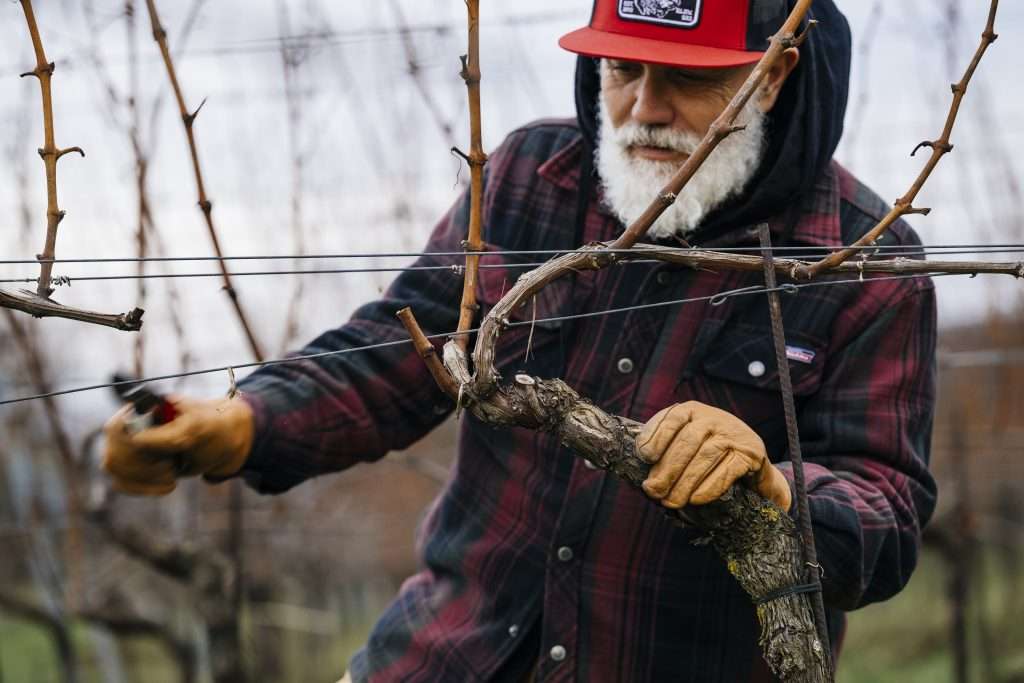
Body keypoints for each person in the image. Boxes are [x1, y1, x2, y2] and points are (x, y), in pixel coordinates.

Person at [103, 0, 938, 680]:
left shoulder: (861, 258)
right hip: (443, 656)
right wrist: (240, 422)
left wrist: (775, 480)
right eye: (622, 68)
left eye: (687, 77)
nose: (644, 110)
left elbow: (888, 509)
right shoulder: (531, 179)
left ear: (774, 71)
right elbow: (405, 348)